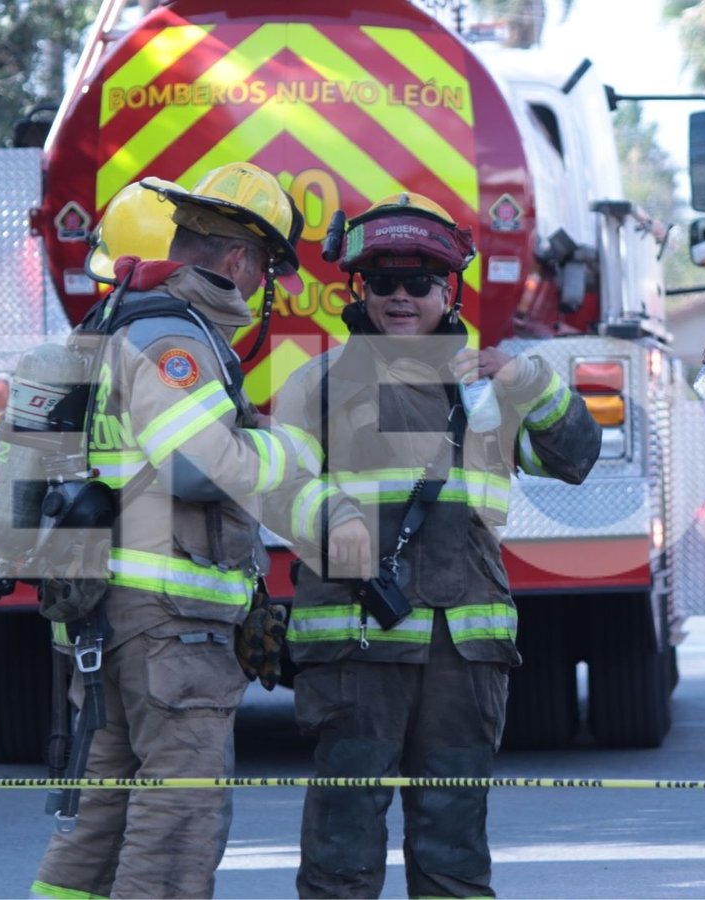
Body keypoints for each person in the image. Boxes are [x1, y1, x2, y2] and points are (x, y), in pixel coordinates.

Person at [31, 163, 369, 899]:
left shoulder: (108, 324)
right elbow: (195, 469)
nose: (261, 289)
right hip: (169, 628)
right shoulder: (172, 338)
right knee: (178, 816)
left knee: (100, 818)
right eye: (267, 270)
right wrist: (291, 448)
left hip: (102, 619)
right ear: (241, 260)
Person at [262, 192, 602, 899]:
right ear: (359, 288)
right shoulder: (314, 386)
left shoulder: (488, 391)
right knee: (340, 853)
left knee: (453, 853)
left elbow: (576, 458)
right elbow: (279, 491)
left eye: (418, 282)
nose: (399, 297)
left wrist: (530, 380)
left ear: (448, 290)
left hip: (462, 657)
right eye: (382, 282)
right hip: (355, 652)